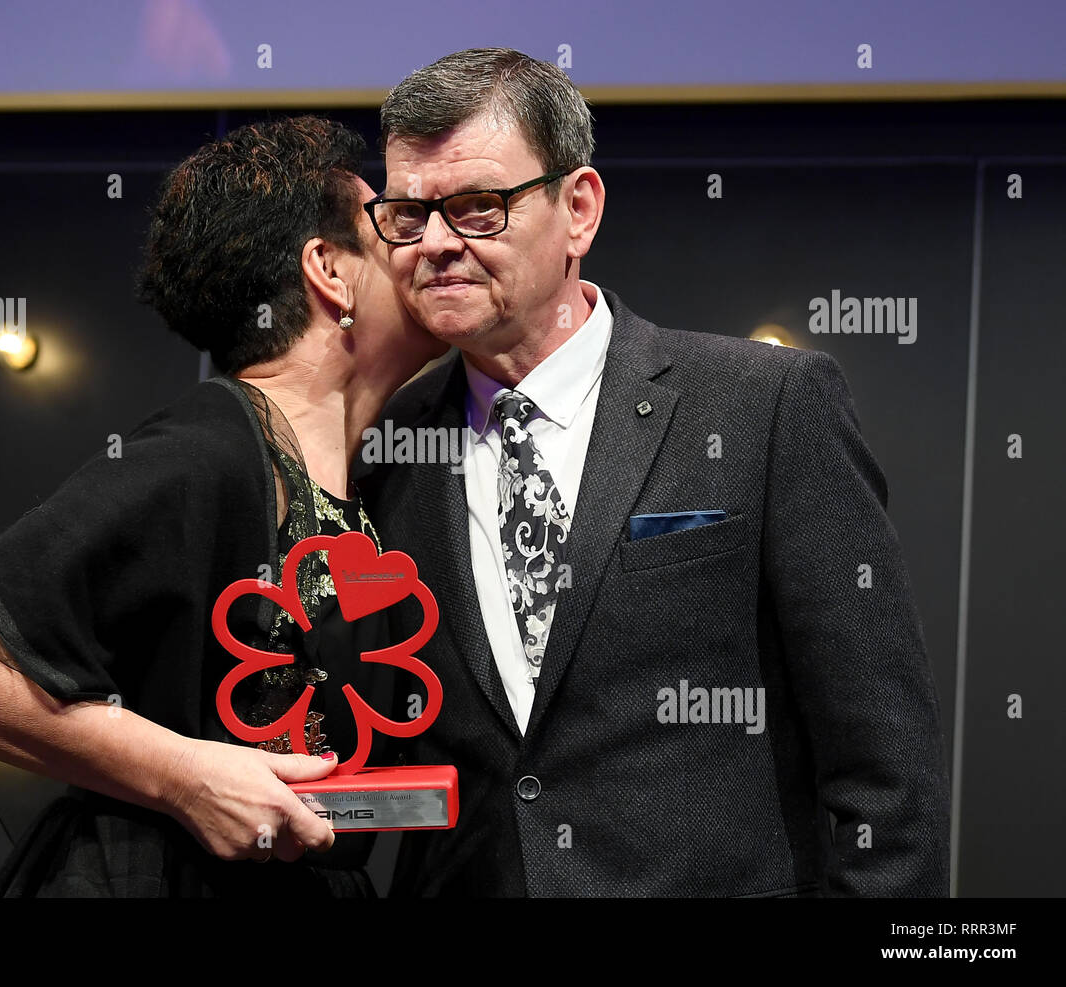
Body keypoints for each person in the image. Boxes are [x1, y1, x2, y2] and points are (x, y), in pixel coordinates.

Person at [356, 49, 951, 896]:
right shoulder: (384, 450)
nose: (439, 244)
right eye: (409, 215)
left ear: (579, 209)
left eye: (478, 208)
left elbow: (884, 766)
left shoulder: (765, 405)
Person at [0, 115, 447, 897]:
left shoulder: (365, 481)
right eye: (388, 224)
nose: (430, 248)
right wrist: (184, 775)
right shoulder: (210, 446)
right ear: (330, 271)